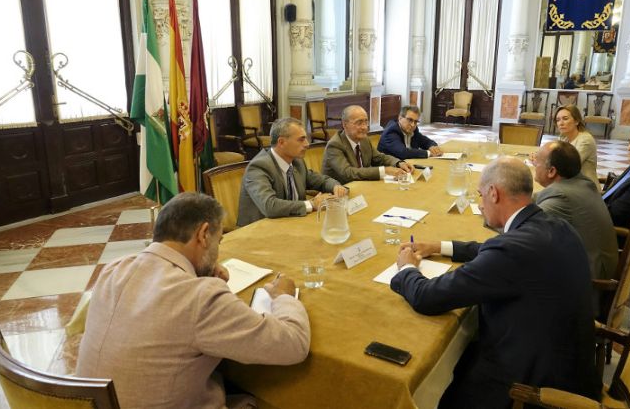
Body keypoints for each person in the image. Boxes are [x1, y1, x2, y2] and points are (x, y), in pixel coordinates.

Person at [392, 157, 600, 409]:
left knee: (443, 388)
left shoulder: (512, 251)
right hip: (570, 362)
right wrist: (439, 246)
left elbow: (428, 297)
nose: (480, 205)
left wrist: (406, 269)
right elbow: (491, 250)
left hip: (530, 387)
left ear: (493, 193)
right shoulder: (555, 225)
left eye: (480, 196)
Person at [76, 192, 311, 408]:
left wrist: (200, 272)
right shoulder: (200, 298)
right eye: (218, 241)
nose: (218, 250)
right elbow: (294, 345)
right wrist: (283, 296)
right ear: (203, 234)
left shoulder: (113, 269)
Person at [532, 141, 618, 281]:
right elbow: (535, 199)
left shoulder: (561, 197)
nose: (534, 165)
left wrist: (492, 213)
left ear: (552, 171)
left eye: (537, 162)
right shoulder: (581, 182)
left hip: (590, 281)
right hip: (594, 263)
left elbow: (522, 228)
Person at [237, 117, 347, 227]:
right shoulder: (259, 167)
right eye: (301, 139)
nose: (307, 144)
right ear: (281, 142)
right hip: (260, 231)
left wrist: (336, 187)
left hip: (293, 224)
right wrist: (311, 204)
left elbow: (321, 181)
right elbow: (269, 206)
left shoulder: (297, 162)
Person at [322, 105, 414, 184]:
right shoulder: (335, 145)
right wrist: (384, 171)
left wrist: (399, 163)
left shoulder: (364, 140)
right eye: (359, 123)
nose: (364, 127)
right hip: (340, 192)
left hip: (362, 186)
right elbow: (348, 173)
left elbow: (379, 158)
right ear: (345, 125)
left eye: (366, 122)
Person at [554, 105, 598, 184]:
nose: (561, 123)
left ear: (576, 121)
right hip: (569, 183)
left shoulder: (585, 140)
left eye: (565, 119)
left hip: (585, 187)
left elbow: (569, 167)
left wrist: (545, 162)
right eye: (558, 120)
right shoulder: (563, 137)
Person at [377, 105, 443, 159]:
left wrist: (432, 147)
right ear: (400, 118)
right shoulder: (391, 132)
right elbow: (403, 152)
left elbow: (426, 141)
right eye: (410, 120)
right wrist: (428, 153)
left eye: (415, 121)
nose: (413, 125)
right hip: (390, 169)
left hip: (408, 165)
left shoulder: (413, 130)